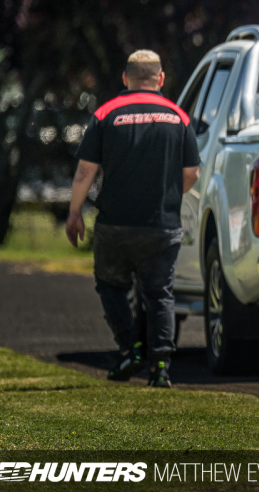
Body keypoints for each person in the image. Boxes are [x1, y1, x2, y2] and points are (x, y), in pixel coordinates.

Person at [66, 49, 200, 388]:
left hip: (115, 225)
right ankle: (161, 368)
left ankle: (130, 348)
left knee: (111, 285)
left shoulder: (106, 113)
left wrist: (74, 214)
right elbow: (192, 174)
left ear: (125, 78)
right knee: (159, 294)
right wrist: (169, 195)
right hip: (162, 224)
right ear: (161, 79)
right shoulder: (179, 117)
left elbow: (85, 172)